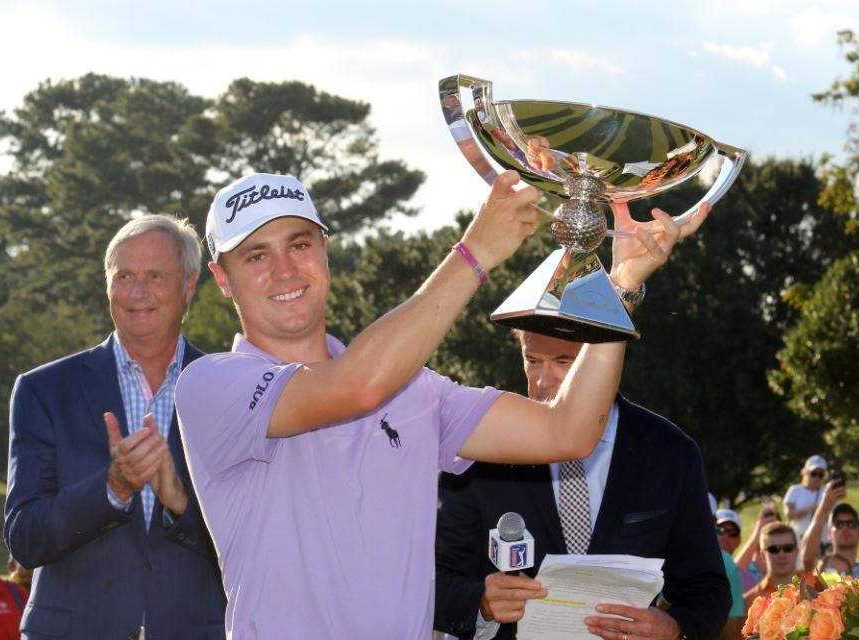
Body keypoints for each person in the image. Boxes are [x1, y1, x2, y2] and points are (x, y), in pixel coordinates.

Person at [175, 171, 708, 638]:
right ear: (222, 279)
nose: (285, 270)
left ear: (323, 251)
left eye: (299, 245)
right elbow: (356, 387)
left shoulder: (414, 388)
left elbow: (567, 431)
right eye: (256, 256)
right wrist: (475, 253)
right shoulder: (210, 386)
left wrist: (617, 289)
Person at [5, 215, 225, 639]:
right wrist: (112, 489)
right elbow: (25, 540)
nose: (137, 291)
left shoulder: (230, 389)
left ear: (189, 285)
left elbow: (257, 547)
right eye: (123, 275)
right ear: (107, 284)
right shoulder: (42, 390)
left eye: (156, 275)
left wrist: (181, 505)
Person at [433, 330, 730, 640]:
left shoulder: (669, 452)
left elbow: (707, 586)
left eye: (564, 361)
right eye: (532, 361)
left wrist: (675, 628)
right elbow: (433, 579)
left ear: (609, 361)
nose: (543, 380)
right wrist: (480, 601)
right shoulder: (481, 451)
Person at [742, 522, 811, 611]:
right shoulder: (750, 600)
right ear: (762, 555)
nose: (781, 554)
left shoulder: (816, 585)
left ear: (796, 551)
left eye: (788, 548)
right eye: (773, 549)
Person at [800, 495, 859, 578]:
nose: (845, 528)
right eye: (838, 524)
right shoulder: (819, 568)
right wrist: (824, 508)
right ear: (829, 534)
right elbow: (807, 559)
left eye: (851, 524)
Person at [783, 455, 828, 544]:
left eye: (820, 475)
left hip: (821, 539)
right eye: (813, 473)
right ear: (805, 473)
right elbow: (789, 514)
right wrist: (810, 509)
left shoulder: (827, 492)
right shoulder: (795, 490)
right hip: (798, 538)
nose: (816, 478)